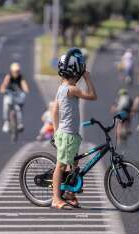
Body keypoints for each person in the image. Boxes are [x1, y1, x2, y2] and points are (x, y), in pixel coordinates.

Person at [51, 47, 97, 210]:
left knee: (74, 165)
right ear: (77, 72)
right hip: (68, 134)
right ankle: (56, 198)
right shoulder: (72, 89)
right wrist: (88, 78)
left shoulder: (60, 88)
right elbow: (93, 96)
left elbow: (54, 109)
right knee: (61, 166)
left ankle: (70, 194)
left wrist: (56, 130)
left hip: (69, 134)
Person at [0, 62, 29, 133]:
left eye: (17, 71)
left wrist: (26, 90)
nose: (16, 73)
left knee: (19, 109)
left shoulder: (21, 77)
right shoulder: (8, 77)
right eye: (15, 71)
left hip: (18, 95)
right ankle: (6, 122)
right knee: (6, 105)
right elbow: (4, 85)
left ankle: (20, 123)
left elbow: (24, 85)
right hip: (9, 94)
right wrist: (3, 89)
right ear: (11, 71)